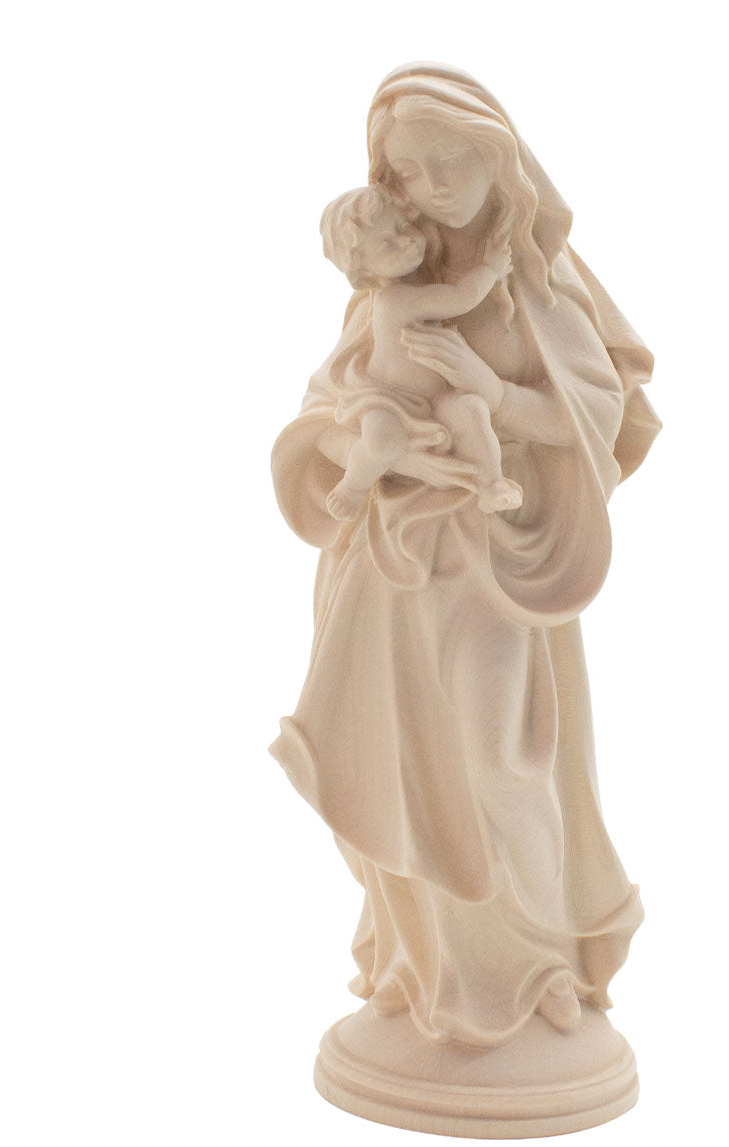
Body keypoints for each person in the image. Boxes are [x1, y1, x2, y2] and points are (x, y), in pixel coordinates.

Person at [271, 63, 661, 1046]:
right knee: (400, 767)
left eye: (448, 163)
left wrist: (491, 395)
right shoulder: (391, 288)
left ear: (499, 159)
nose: (429, 188)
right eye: (407, 171)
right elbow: (332, 404)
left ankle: (538, 967)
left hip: (493, 566)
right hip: (390, 571)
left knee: (499, 762)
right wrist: (373, 446)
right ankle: (423, 967)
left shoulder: (538, 293)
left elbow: (593, 416)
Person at [318, 184, 523, 519]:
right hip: (388, 399)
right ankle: (352, 487)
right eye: (387, 243)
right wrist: (491, 269)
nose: (406, 241)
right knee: (383, 443)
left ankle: (492, 485)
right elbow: (459, 298)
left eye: (403, 226)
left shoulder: (414, 284)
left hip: (435, 398)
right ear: (365, 271)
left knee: (472, 410)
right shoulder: (394, 300)